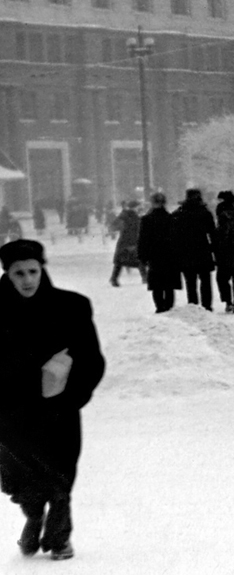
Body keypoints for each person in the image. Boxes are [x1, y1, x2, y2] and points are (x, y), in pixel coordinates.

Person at [0, 239, 105, 561]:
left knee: (60, 470)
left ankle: (59, 535)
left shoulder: (71, 307)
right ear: (7, 274)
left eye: (33, 271)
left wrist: (72, 398)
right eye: (19, 273)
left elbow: (91, 359)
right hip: (10, 409)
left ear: (42, 269)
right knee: (19, 474)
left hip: (57, 409)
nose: (28, 280)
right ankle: (33, 516)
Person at [172, 189, 216, 310]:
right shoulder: (205, 213)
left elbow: (173, 235)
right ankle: (207, 305)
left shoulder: (178, 213)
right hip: (203, 251)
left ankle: (193, 305)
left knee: (190, 281)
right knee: (205, 280)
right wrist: (214, 250)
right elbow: (212, 233)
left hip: (185, 252)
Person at [137, 193, 180, 313]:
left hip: (154, 255)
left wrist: (142, 257)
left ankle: (160, 306)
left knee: (157, 284)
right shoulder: (171, 218)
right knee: (169, 284)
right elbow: (177, 239)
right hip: (170, 255)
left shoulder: (146, 220)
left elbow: (143, 240)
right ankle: (169, 305)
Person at [109, 200, 145, 287]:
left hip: (125, 241)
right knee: (139, 259)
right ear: (135, 207)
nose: (140, 208)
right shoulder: (132, 216)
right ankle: (145, 278)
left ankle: (114, 278)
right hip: (130, 241)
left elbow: (114, 225)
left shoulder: (126, 215)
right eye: (138, 207)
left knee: (120, 262)